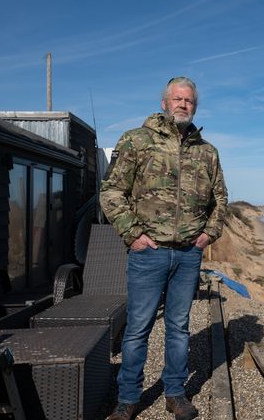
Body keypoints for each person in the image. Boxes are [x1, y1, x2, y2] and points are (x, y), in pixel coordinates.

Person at [101, 76, 227, 420]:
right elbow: (111, 192)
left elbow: (220, 199)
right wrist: (133, 235)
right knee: (138, 328)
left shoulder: (207, 152)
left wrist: (208, 235)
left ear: (195, 106)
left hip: (189, 254)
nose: (183, 104)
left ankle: (175, 393)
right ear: (164, 102)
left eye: (189, 101)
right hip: (148, 253)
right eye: (177, 98)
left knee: (179, 327)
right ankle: (128, 399)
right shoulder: (137, 141)